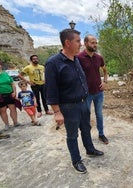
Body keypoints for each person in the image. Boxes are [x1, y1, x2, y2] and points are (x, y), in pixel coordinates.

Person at [45, 29, 104, 174]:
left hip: (84, 102)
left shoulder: (76, 59)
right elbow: (51, 90)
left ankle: (90, 149)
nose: (81, 45)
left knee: (86, 128)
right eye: (78, 41)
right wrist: (57, 112)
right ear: (67, 42)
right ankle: (76, 160)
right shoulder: (53, 63)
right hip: (68, 106)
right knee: (72, 135)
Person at [77, 34, 109, 144]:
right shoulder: (79, 58)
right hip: (86, 94)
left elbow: (105, 70)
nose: (95, 45)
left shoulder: (99, 57)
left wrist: (105, 82)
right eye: (92, 42)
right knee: (86, 116)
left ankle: (101, 134)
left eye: (96, 43)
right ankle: (87, 137)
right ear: (85, 43)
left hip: (99, 92)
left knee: (99, 114)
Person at [0, 59, 21, 130]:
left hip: (9, 94)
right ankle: (7, 124)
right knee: (3, 110)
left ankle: (15, 122)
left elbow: (12, 83)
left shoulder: (5, 74)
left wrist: (14, 92)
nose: (0, 66)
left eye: (0, 64)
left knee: (13, 108)